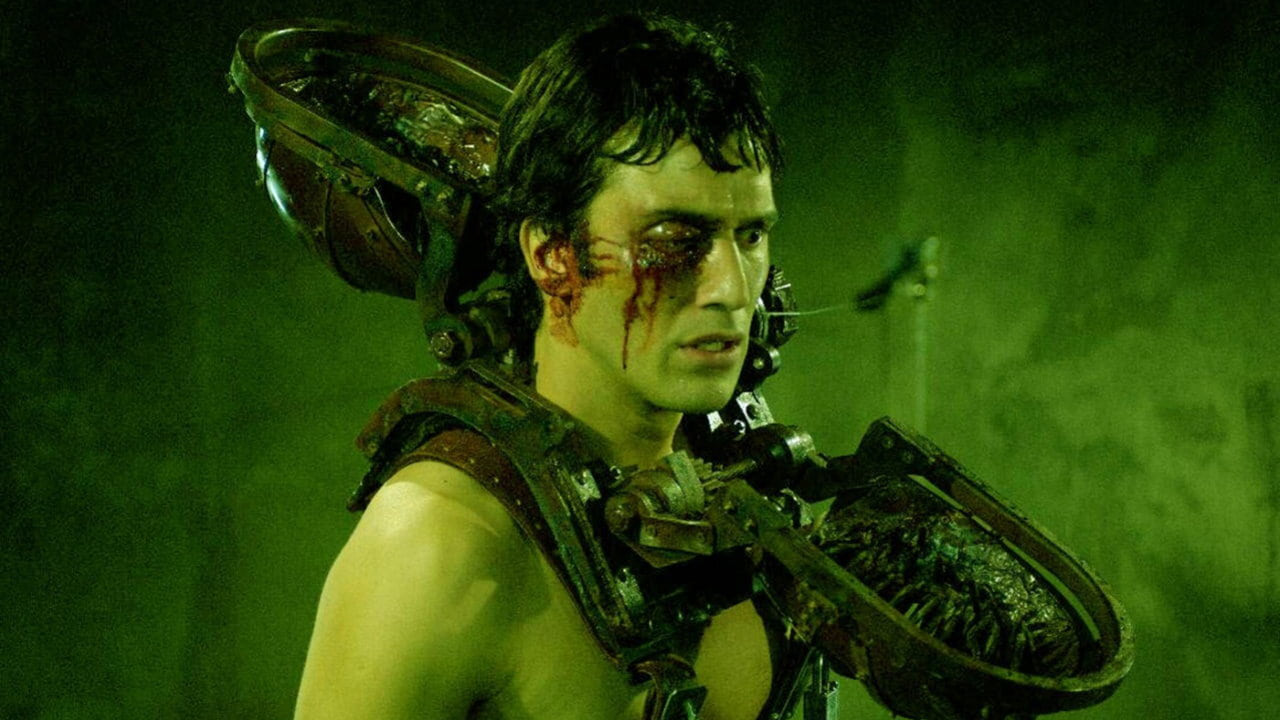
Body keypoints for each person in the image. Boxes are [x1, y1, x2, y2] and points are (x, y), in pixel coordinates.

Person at [293, 13, 787, 720]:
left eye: (752, 235)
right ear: (553, 256)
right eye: (676, 238)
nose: (735, 289)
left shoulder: (747, 495)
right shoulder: (439, 544)